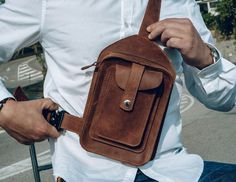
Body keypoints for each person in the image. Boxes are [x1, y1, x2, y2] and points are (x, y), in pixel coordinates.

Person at [0, 0, 236, 181]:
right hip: (87, 173)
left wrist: (206, 58)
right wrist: (5, 109)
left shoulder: (179, 3)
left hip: (174, 170)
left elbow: (224, 100)